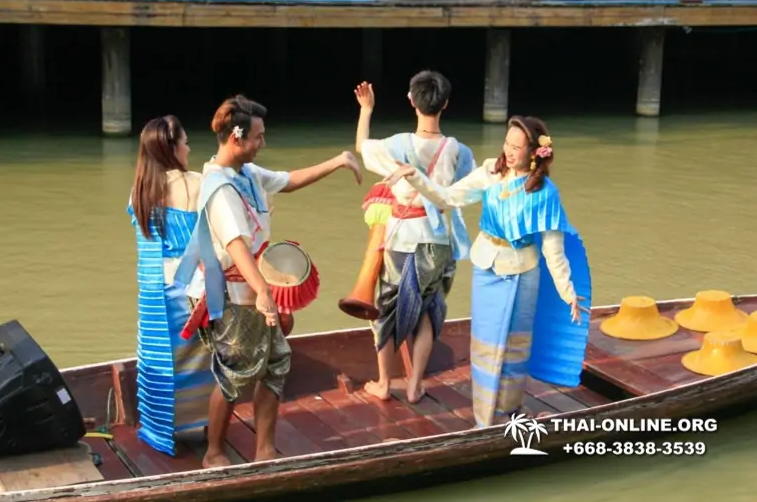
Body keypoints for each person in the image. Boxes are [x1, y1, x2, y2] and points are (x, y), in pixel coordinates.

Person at [173, 95, 362, 468]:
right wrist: (263, 292)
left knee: (276, 362)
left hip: (256, 288)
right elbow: (235, 245)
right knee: (234, 372)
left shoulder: (246, 173)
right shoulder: (220, 187)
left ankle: (265, 449)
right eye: (258, 137)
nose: (263, 143)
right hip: (233, 294)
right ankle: (213, 452)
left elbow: (288, 181)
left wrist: (338, 161)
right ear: (236, 139)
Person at [385, 115, 592, 427]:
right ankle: (484, 418)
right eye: (507, 144)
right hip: (487, 266)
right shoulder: (490, 174)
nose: (509, 151)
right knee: (485, 344)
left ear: (536, 151)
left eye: (517, 147)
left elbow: (553, 249)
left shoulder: (544, 192)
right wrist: (414, 176)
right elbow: (448, 197)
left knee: (514, 345)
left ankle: (510, 408)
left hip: (523, 272)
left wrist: (567, 291)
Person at [353, 71, 475, 404]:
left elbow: (363, 148)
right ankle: (415, 384)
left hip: (400, 237)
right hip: (438, 240)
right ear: (445, 104)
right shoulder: (458, 151)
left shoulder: (397, 144)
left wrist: (366, 110)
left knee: (386, 308)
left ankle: (383, 383)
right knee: (428, 309)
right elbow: (466, 190)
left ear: (411, 101)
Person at [126, 115, 217, 456]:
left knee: (159, 359)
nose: (189, 148)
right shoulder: (197, 182)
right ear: (172, 147)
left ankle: (161, 427)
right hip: (190, 285)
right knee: (204, 359)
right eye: (186, 141)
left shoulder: (141, 190)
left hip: (154, 290)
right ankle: (208, 425)